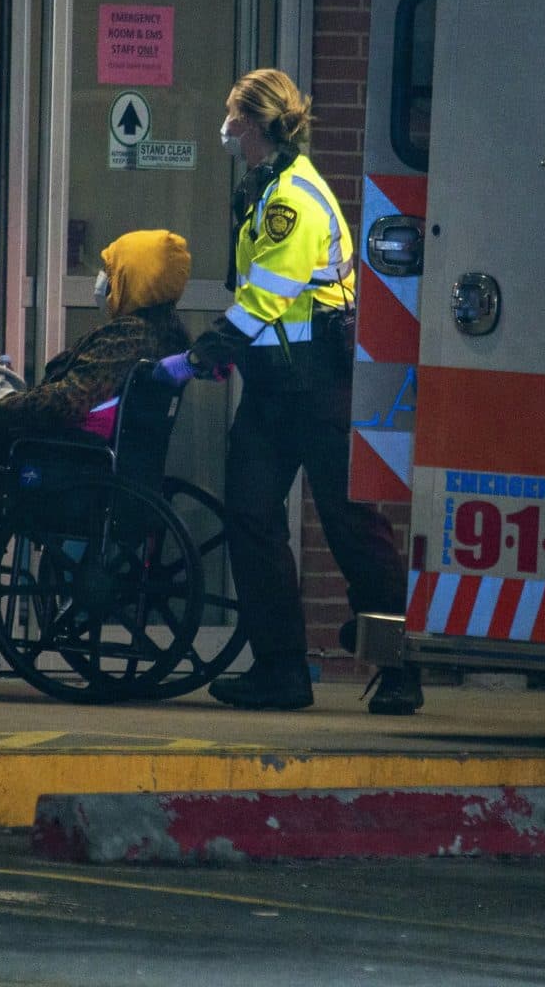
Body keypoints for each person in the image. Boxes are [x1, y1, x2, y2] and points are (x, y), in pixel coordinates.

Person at [156, 68, 422, 714]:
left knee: (351, 526)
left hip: (318, 384)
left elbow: (263, 301)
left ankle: (401, 673)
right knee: (250, 515)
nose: (225, 124)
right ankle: (280, 670)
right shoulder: (265, 187)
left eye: (231, 114)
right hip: (277, 384)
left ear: (250, 121)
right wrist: (234, 356)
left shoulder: (292, 201)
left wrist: (196, 358)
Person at [0, 228, 194, 636]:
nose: (101, 281)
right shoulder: (167, 335)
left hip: (64, 470)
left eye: (110, 271)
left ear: (135, 277)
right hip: (94, 465)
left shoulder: (127, 337)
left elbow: (65, 402)